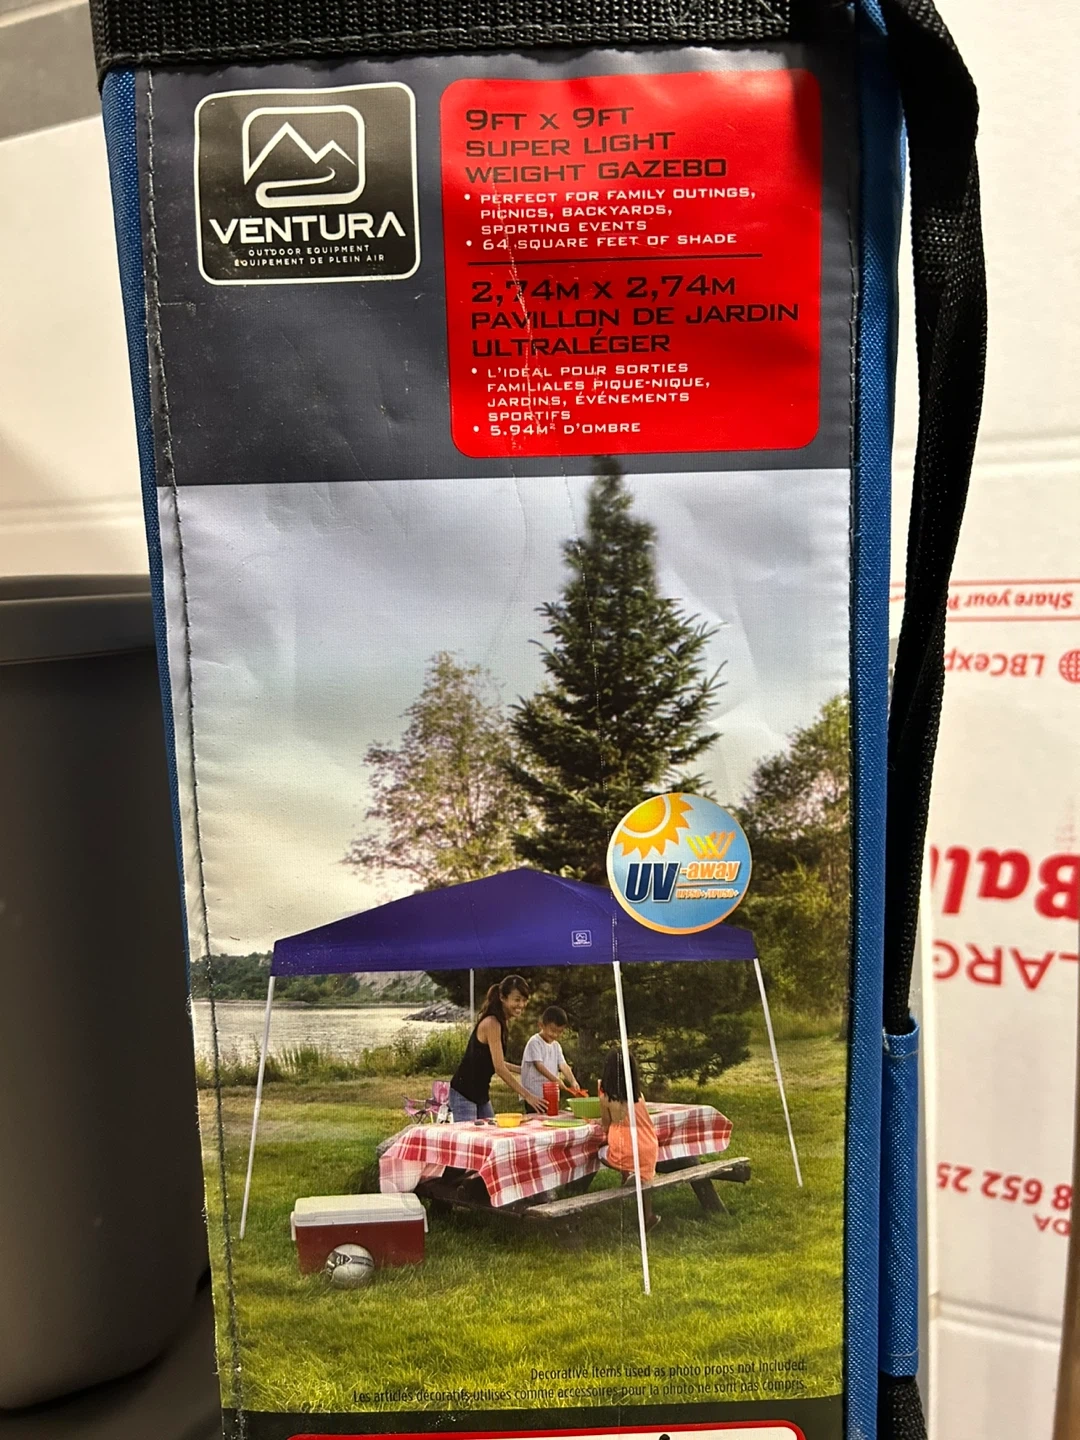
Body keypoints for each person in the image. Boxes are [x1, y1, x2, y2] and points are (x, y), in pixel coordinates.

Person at [448, 975, 544, 1121]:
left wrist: (522, 1069)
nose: (521, 1004)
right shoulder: (492, 1023)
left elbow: (493, 1061)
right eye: (517, 999)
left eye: (524, 1000)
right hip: (464, 1093)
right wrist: (527, 1096)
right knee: (470, 1135)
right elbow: (499, 1068)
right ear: (502, 998)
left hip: (481, 1094)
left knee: (491, 1132)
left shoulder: (502, 1022)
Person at [598, 1047, 660, 1232]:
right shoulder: (639, 1096)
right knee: (641, 1173)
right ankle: (647, 1215)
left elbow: (606, 1125)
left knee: (601, 1152)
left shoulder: (606, 1098)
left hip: (625, 1149)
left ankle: (628, 1173)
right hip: (648, 1145)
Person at [519, 1006, 581, 1109]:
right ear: (541, 1025)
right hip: (534, 1096)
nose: (555, 1035)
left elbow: (563, 1065)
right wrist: (555, 1080)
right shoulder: (535, 1042)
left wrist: (573, 1081)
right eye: (552, 1030)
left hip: (551, 1094)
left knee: (551, 1116)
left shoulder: (556, 1046)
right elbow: (539, 1065)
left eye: (560, 1031)